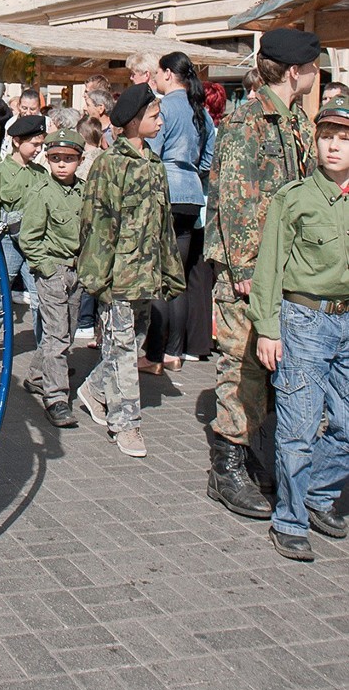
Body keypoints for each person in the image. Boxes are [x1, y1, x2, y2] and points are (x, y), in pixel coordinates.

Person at [204, 27, 319, 519]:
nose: (318, 73)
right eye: (313, 66)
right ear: (295, 71)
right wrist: (247, 268)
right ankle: (225, 466)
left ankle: (255, 448)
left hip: (284, 265)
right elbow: (234, 197)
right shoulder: (250, 119)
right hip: (247, 270)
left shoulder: (293, 120)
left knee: (267, 366)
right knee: (240, 362)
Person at [247, 95, 349, 561]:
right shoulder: (296, 198)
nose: (334, 147)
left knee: (346, 425)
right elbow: (269, 267)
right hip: (304, 320)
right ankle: (289, 518)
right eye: (327, 136)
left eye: (344, 139)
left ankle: (318, 495)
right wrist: (268, 329)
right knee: (298, 428)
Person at [76, 83, 185, 458]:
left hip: (147, 275)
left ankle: (93, 389)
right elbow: (95, 225)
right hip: (119, 276)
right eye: (154, 115)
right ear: (135, 122)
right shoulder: (111, 165)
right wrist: (97, 279)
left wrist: (170, 270)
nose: (161, 120)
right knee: (123, 350)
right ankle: (126, 424)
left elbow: (163, 224)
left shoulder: (154, 163)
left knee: (133, 340)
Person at [141, 52, 215, 373]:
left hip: (166, 191)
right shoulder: (202, 112)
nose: (155, 78)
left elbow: (151, 153)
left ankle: (155, 355)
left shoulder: (164, 109)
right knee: (179, 277)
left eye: (157, 73)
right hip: (192, 195)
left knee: (160, 276)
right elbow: (207, 160)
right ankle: (175, 353)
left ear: (169, 74)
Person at [19, 128, 86, 428]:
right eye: (56, 158)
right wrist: (45, 268)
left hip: (77, 271)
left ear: (80, 160)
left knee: (66, 331)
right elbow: (29, 238)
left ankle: (36, 375)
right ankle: (56, 397)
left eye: (69, 159)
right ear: (46, 159)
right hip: (52, 272)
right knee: (58, 334)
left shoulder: (84, 192)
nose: (62, 165)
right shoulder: (42, 192)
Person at [0, 114, 47, 370]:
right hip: (7, 244)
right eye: (34, 144)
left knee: (41, 300)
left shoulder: (41, 174)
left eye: (41, 145)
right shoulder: (1, 175)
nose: (38, 150)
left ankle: (47, 356)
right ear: (16, 141)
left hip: (35, 246)